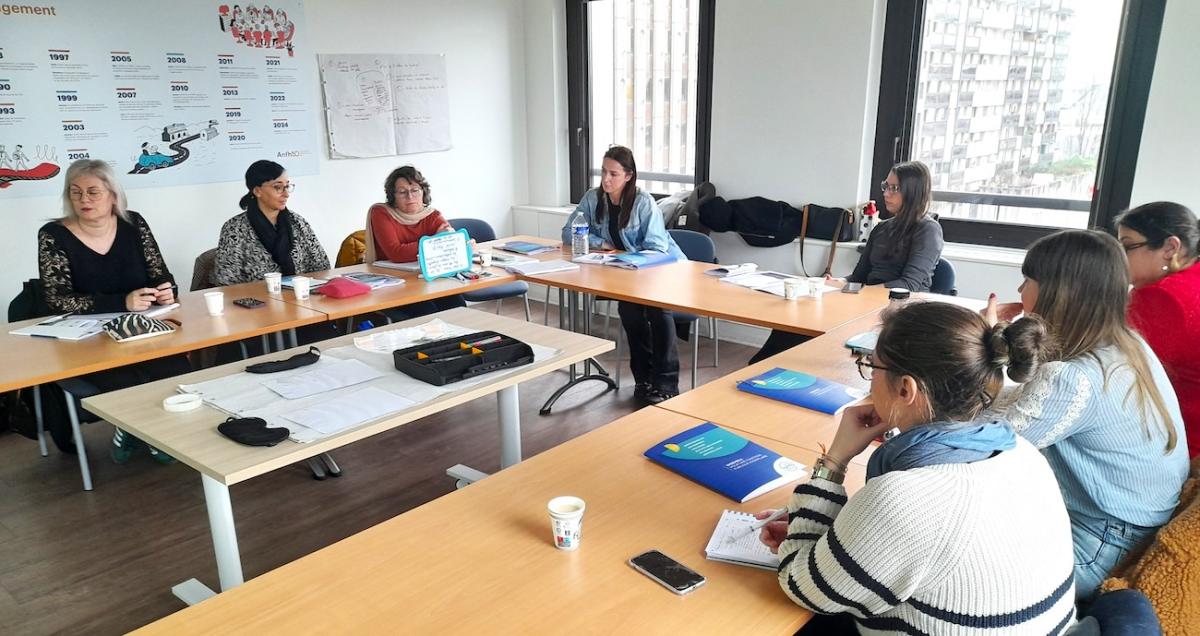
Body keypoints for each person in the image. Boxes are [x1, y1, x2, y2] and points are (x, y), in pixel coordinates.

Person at [758, 302, 1076, 634]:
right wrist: (830, 534)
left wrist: (834, 462)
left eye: (871, 367)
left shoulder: (906, 498)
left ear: (906, 389)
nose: (869, 381)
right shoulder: (1021, 452)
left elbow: (801, 586)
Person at [984, 229, 1189, 602]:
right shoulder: (1123, 343)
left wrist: (980, 359)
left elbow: (981, 448)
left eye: (1028, 279)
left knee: (969, 557)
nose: (1020, 290)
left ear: (1057, 291)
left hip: (1102, 543)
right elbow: (1026, 401)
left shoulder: (1073, 377)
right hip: (1136, 526)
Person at [37, 159, 189, 463]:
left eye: (93, 192)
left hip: (140, 329)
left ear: (113, 196)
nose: (84, 200)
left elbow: (159, 273)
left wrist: (165, 289)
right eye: (76, 192)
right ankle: (150, 435)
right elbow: (57, 299)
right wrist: (122, 302)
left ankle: (134, 431)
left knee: (176, 372)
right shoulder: (53, 235)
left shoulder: (134, 223)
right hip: (87, 338)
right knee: (122, 381)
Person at [749, 161, 944, 364]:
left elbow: (909, 285)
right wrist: (839, 282)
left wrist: (860, 291)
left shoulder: (928, 229)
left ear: (913, 192)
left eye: (894, 188)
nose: (886, 193)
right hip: (867, 300)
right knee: (800, 312)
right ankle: (765, 364)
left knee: (819, 320)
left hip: (901, 308)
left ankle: (775, 364)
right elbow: (859, 276)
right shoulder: (882, 228)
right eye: (885, 186)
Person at [561, 146, 685, 404]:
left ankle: (666, 382)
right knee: (629, 312)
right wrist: (604, 245)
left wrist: (624, 256)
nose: (606, 179)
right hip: (625, 272)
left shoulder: (643, 202)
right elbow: (567, 233)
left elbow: (657, 248)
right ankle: (643, 379)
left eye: (613, 174)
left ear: (628, 176)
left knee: (658, 311)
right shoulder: (592, 199)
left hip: (660, 270)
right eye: (604, 172)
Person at [1115, 201, 1200, 458]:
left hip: (1184, 445)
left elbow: (1112, 370)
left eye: (1128, 246)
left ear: (1170, 247)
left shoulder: (1163, 297)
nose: (1119, 256)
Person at [365, 165, 465, 320]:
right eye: (402, 192)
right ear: (393, 196)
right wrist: (433, 242)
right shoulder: (381, 213)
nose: (410, 197)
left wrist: (459, 243)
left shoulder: (432, 214)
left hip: (425, 280)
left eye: (415, 190)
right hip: (392, 284)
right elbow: (395, 252)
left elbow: (449, 242)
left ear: (423, 192)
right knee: (427, 312)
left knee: (456, 305)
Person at [214, 160, 329, 286]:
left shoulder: (298, 223)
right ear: (257, 191)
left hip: (301, 296)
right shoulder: (234, 229)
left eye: (287, 186)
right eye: (278, 187)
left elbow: (322, 267)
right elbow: (226, 281)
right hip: (257, 301)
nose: (286, 194)